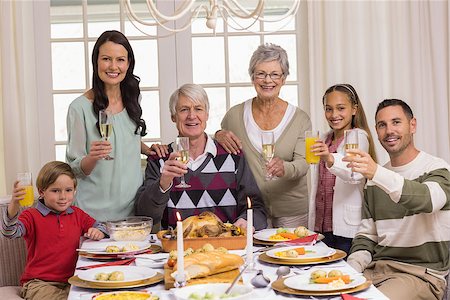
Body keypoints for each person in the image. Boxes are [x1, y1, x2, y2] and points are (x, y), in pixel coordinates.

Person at [345, 99, 450, 300]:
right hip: (376, 271)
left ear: (412, 125)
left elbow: (427, 200)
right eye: (382, 125)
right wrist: (350, 270)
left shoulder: (438, 169)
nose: (389, 131)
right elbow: (367, 237)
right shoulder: (374, 181)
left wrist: (376, 172)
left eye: (396, 122)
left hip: (420, 275)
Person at [135, 83, 267, 231]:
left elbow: (257, 207)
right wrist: (163, 183)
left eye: (198, 109)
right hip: (177, 250)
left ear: (206, 115)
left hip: (226, 247)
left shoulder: (232, 155)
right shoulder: (159, 159)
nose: (192, 116)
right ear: (173, 117)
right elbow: (144, 215)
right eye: (184, 110)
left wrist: (246, 222)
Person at [215, 43, 311, 228]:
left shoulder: (300, 119)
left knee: (291, 255)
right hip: (249, 210)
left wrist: (285, 168)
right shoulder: (234, 116)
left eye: (275, 74)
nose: (268, 80)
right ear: (253, 77)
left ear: (284, 78)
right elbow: (216, 153)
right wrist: (218, 135)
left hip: (292, 211)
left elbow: (303, 164)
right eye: (261, 73)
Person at [66, 30, 151, 222]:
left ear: (128, 64)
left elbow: (126, 136)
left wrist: (148, 150)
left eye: (120, 59)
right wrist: (93, 156)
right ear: (96, 62)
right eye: (106, 59)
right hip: (93, 215)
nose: (113, 66)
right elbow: (76, 167)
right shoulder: (79, 108)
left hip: (132, 210)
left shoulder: (133, 98)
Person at [1, 161, 106, 300]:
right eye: (55, 191)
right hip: (39, 283)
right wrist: (14, 204)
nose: (63, 196)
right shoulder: (31, 215)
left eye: (68, 190)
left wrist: (98, 231)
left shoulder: (77, 214)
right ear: (42, 192)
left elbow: (102, 226)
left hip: (72, 280)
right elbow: (9, 232)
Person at [307, 84, 377, 254]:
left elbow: (355, 174)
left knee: (341, 277)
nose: (334, 115)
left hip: (346, 230)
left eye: (341, 108)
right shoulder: (323, 138)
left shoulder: (359, 136)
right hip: (321, 225)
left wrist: (329, 158)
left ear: (354, 109)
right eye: (328, 109)